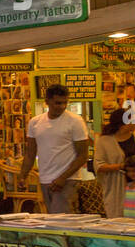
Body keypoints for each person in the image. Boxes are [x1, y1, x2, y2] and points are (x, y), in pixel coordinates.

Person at [19, 85, 90, 214]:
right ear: (47, 102)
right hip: (45, 178)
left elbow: (83, 155)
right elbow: (30, 153)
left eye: (65, 103)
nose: (62, 106)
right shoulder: (35, 122)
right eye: (57, 103)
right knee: (52, 218)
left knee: (62, 221)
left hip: (68, 179)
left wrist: (63, 178)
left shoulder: (75, 121)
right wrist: (23, 175)